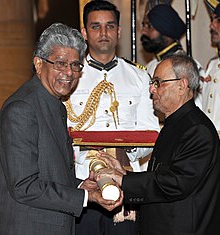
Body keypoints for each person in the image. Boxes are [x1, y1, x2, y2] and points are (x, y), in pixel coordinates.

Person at [0, 23, 122, 235]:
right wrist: (87, 198)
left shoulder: (53, 103)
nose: (69, 72)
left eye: (76, 65)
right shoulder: (22, 108)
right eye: (60, 63)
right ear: (39, 64)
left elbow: (50, 173)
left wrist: (81, 186)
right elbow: (25, 186)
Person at [97, 54, 220, 235]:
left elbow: (176, 183)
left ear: (182, 85)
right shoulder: (177, 123)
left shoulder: (197, 129)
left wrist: (125, 181)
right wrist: (124, 174)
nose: (151, 89)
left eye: (158, 82)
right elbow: (163, 176)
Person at [64, 1, 159, 234]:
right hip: (82, 184)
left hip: (125, 185)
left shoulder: (139, 77)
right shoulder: (68, 77)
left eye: (109, 26)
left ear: (118, 31)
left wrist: (122, 153)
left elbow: (150, 134)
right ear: (84, 33)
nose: (103, 33)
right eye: (95, 26)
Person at [140, 4, 204, 110]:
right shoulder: (149, 66)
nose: (143, 31)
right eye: (143, 25)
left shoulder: (189, 68)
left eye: (149, 26)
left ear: (167, 32)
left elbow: (195, 110)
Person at [202, 0, 220, 234]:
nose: (213, 25)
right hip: (211, 155)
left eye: (219, 20)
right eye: (212, 19)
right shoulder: (212, 66)